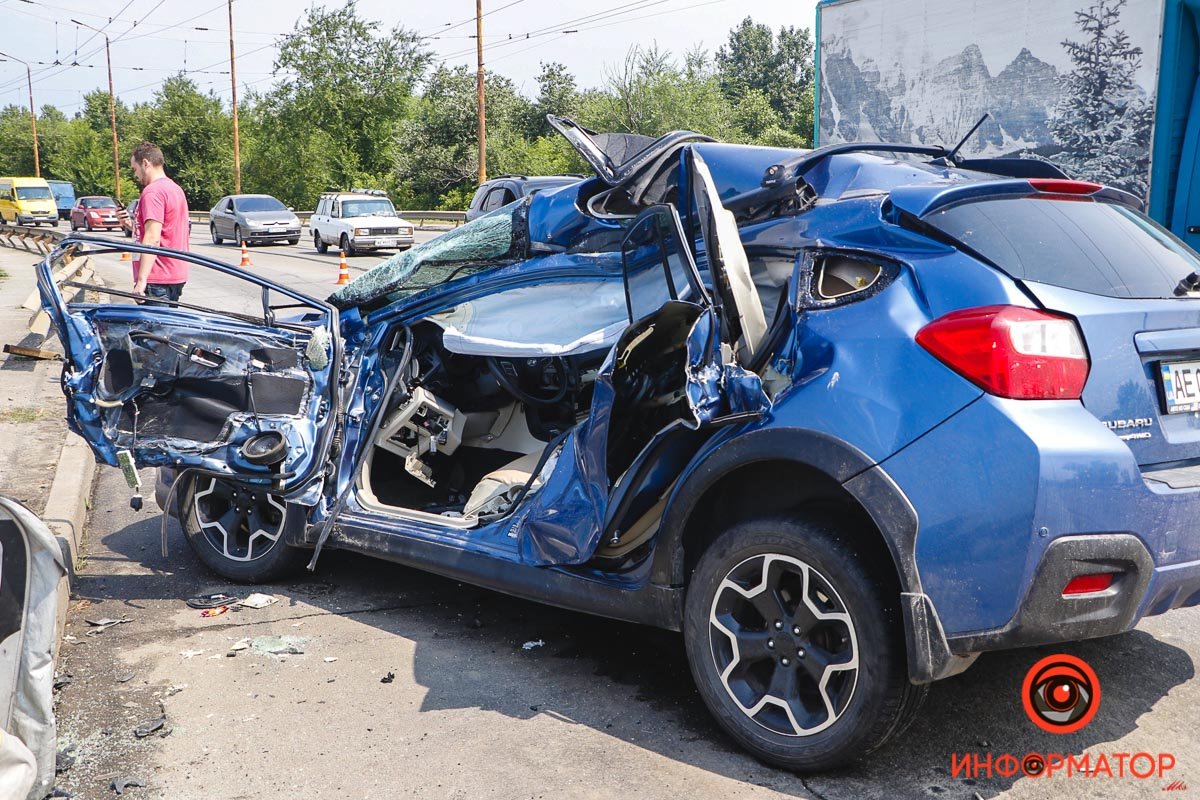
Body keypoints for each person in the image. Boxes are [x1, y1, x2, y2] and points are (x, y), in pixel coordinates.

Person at [129, 141, 189, 302]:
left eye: (135, 169)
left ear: (145, 163)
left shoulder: (152, 192)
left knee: (157, 327)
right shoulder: (175, 189)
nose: (135, 175)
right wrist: (129, 225)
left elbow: (153, 237)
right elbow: (168, 230)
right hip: (175, 273)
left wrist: (141, 282)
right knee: (169, 325)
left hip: (157, 277)